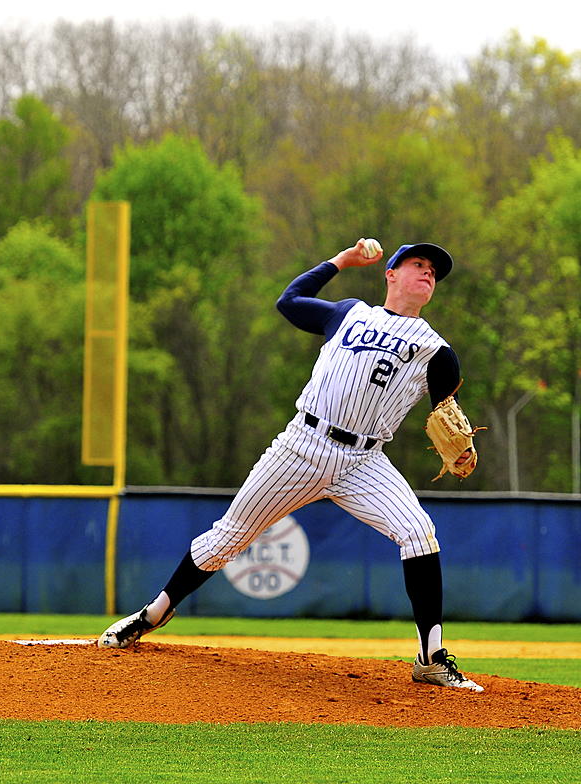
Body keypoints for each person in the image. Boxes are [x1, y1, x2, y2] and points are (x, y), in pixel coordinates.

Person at [98, 239, 484, 692]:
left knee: (419, 533)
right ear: (391, 274)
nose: (427, 273)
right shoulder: (350, 313)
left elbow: (447, 414)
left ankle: (430, 658)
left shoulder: (437, 350)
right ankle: (154, 613)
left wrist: (460, 449)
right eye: (417, 264)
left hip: (365, 460)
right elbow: (289, 302)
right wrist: (341, 261)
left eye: (434, 272)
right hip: (301, 445)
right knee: (226, 540)